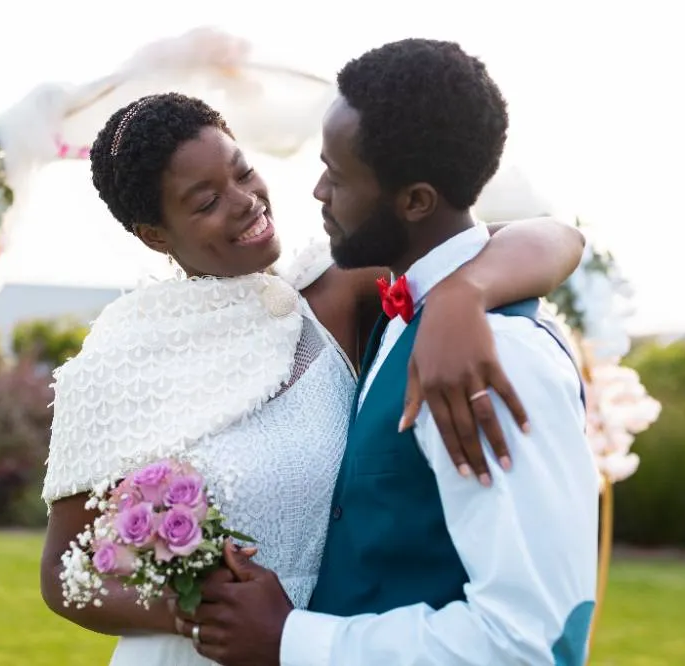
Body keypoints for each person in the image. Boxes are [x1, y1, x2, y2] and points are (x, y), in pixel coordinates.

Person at [39, 91, 586, 665]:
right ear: (156, 233)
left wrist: (462, 295)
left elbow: (553, 238)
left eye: (243, 171)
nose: (246, 201)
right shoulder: (115, 363)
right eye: (206, 202)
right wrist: (200, 610)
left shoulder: (326, 293)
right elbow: (61, 572)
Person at [170, 40, 599, 666]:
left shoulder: (497, 362)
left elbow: (530, 641)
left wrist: (291, 640)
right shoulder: (409, 314)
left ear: (415, 201)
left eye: (338, 176)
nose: (318, 191)